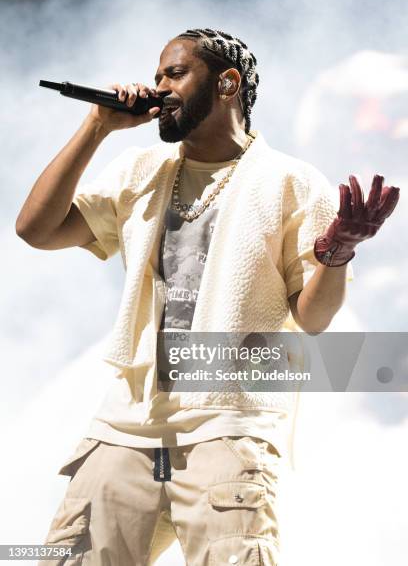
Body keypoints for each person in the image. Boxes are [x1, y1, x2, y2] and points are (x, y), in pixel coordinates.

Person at [16, 28, 399, 566]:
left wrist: (338, 253)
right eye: (156, 77)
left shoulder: (292, 181)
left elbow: (312, 320)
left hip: (228, 426)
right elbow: (36, 229)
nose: (158, 87)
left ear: (226, 83)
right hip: (127, 425)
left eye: (174, 74)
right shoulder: (140, 173)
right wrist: (97, 126)